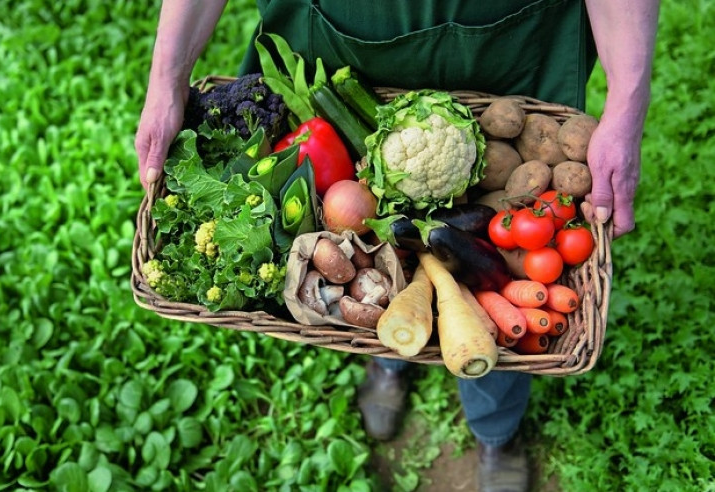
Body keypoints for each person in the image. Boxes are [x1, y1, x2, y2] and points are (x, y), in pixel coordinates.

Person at [135, 1, 659, 490]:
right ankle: (389, 354)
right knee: (388, 269)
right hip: (339, 36)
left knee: (493, 286)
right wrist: (166, 78)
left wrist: (629, 102)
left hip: (507, 43)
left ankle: (494, 425)